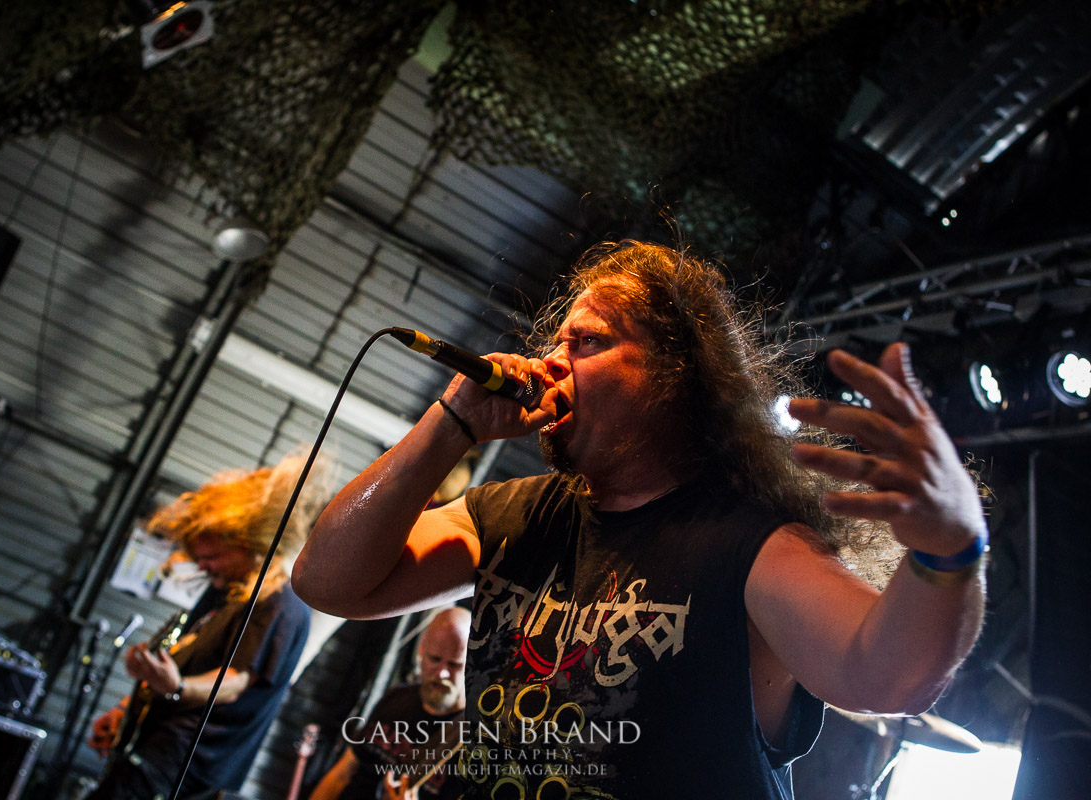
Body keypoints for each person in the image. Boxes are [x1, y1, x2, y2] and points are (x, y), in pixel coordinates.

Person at [291, 241, 988, 799]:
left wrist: (950, 549)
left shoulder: (749, 545)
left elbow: (885, 678)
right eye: (555, 341)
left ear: (674, 378)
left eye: (586, 342)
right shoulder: (511, 516)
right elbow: (328, 582)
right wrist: (451, 424)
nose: (549, 363)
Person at [88, 454, 332, 800]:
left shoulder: (278, 601)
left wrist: (177, 688)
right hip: (153, 746)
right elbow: (181, 655)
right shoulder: (225, 591)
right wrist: (126, 709)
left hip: (184, 762)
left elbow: (234, 681)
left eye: (211, 557)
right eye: (200, 558)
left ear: (247, 544)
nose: (202, 566)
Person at [309, 607, 471, 800]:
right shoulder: (396, 697)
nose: (442, 673)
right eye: (434, 659)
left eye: (454, 664)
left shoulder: (473, 739)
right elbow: (342, 773)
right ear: (421, 649)